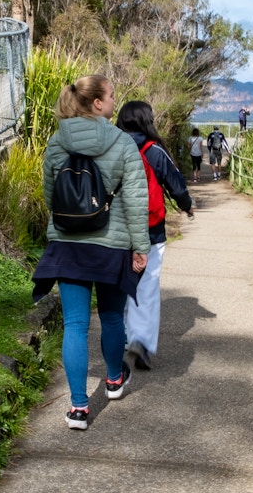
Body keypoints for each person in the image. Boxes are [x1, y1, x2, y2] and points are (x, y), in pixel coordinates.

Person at [31, 74, 151, 430]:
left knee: (75, 326)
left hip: (68, 245)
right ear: (97, 103)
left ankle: (79, 408)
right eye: (112, 95)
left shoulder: (57, 142)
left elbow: (51, 195)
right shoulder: (123, 143)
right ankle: (114, 379)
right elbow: (134, 200)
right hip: (111, 245)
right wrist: (140, 247)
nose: (115, 100)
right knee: (112, 318)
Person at [116, 101, 193, 371]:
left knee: (120, 286)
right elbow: (176, 184)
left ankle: (122, 338)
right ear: (146, 121)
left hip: (117, 228)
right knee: (146, 286)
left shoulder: (112, 146)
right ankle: (141, 341)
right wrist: (187, 207)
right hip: (151, 230)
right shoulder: (154, 150)